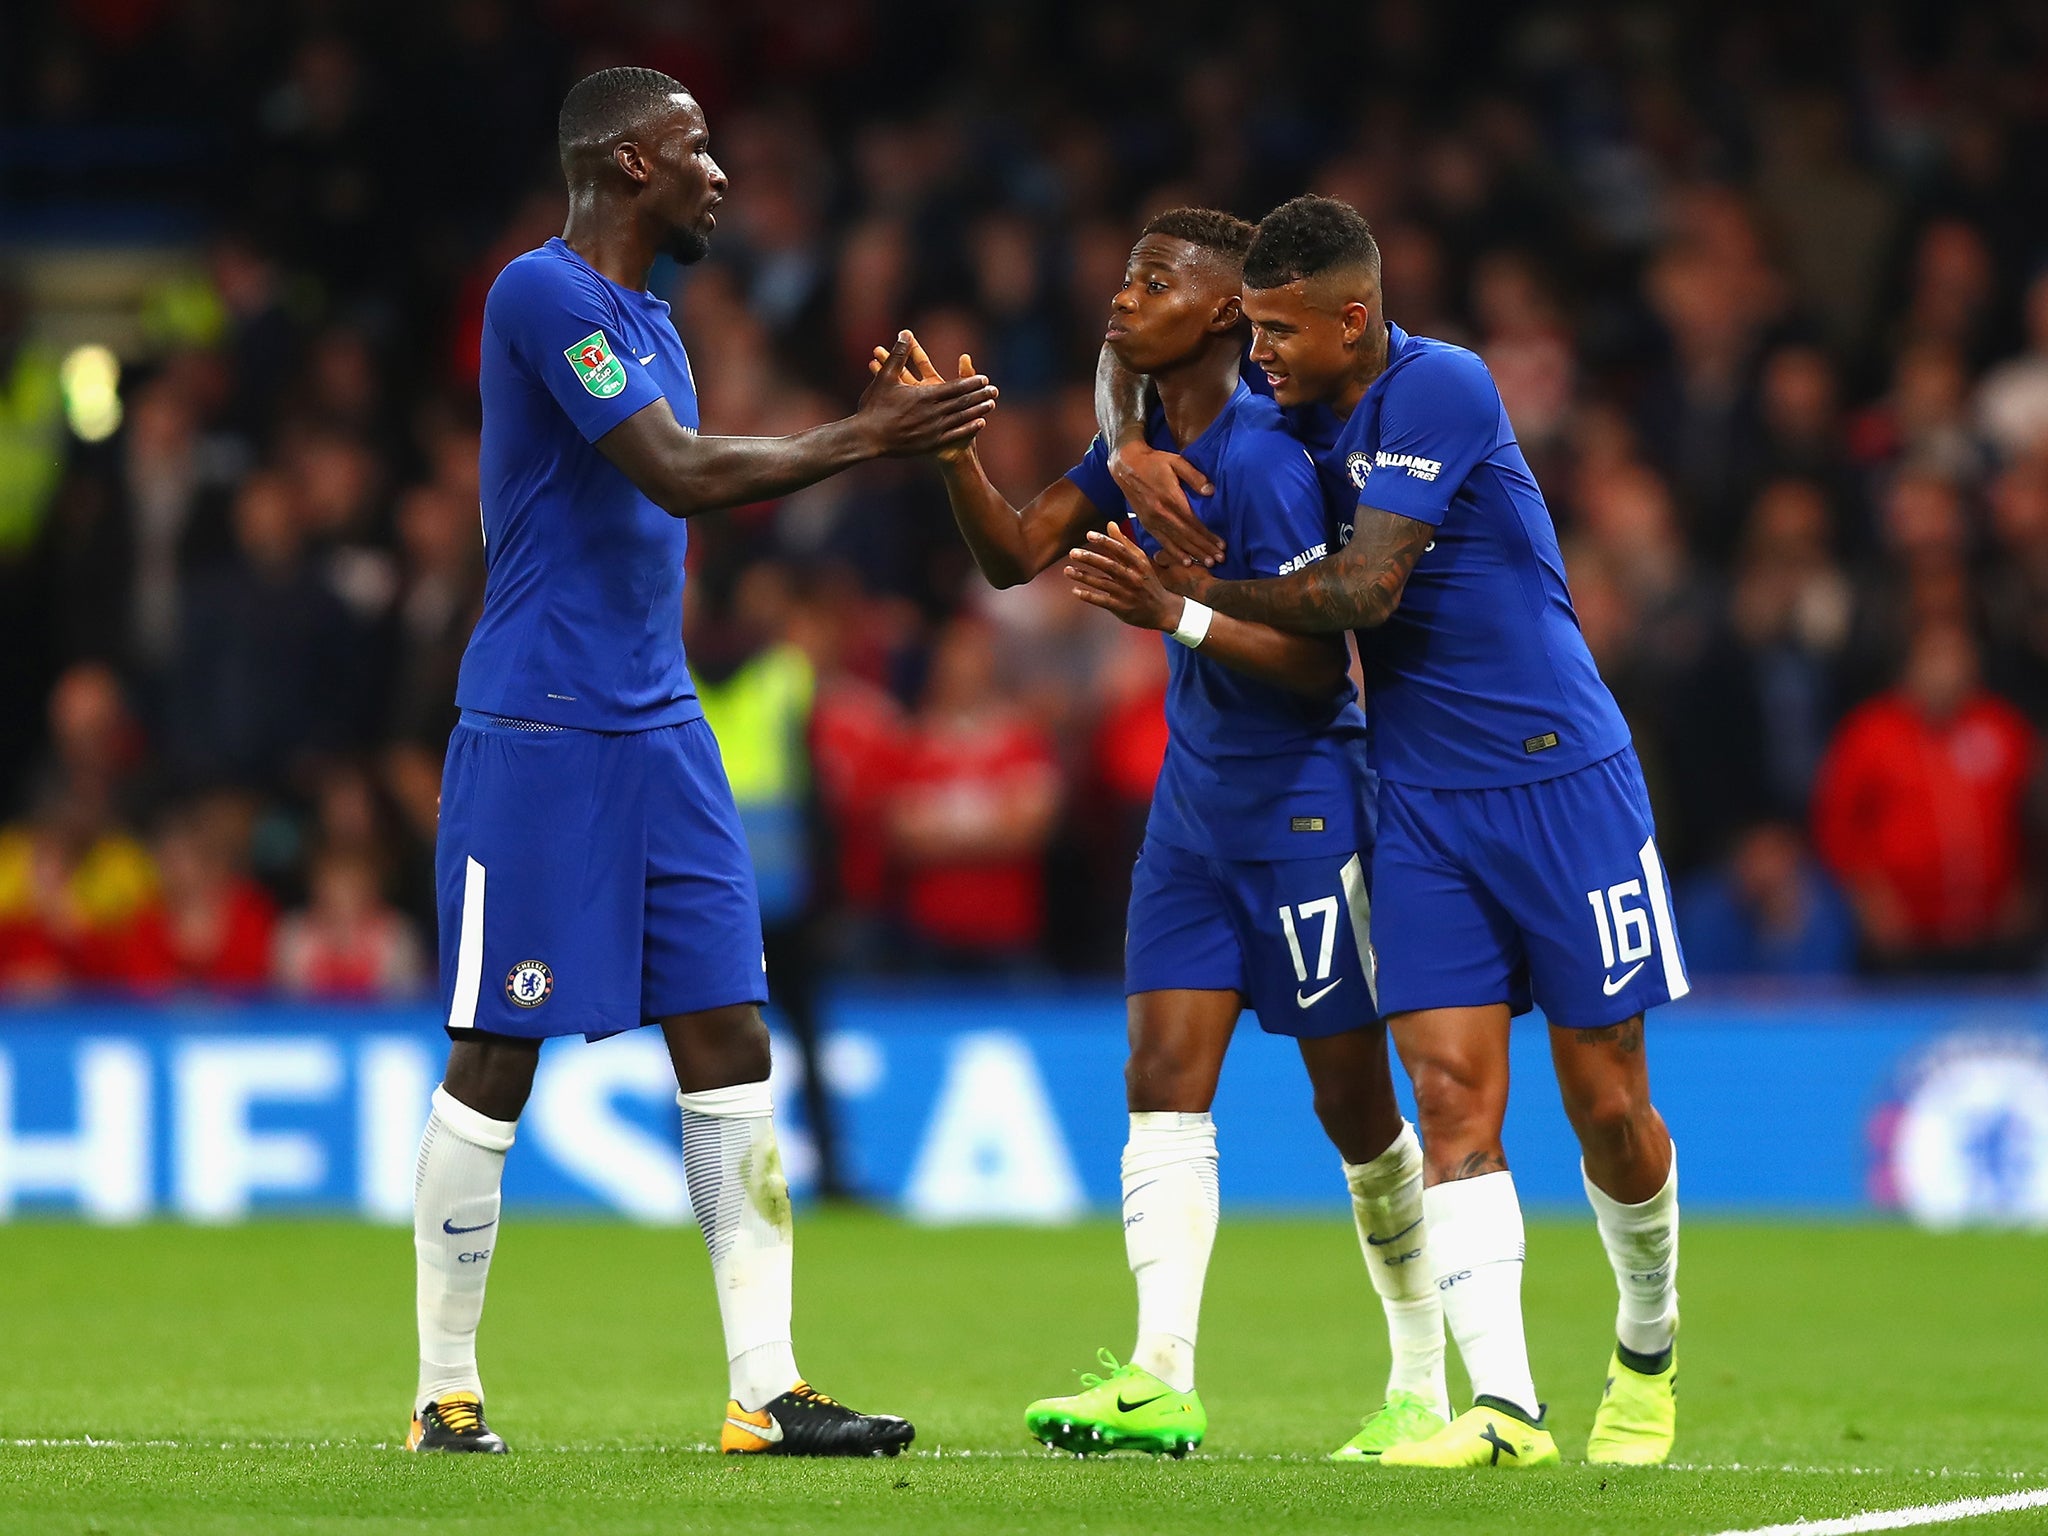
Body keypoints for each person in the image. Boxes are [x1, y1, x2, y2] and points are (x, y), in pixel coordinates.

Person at [407, 66, 996, 1458]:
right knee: (498, 1048)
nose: (719, 174)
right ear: (623, 166)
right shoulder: (540, 296)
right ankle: (443, 1388)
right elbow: (673, 473)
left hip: (662, 730)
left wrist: (860, 443)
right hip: (540, 729)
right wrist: (870, 439)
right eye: (695, 150)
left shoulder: (658, 322)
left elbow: (680, 480)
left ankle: (767, 1390)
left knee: (730, 1029)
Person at [1091, 197, 1687, 1469]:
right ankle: (1507, 1411)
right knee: (1453, 1098)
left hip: (1559, 781)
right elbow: (1134, 354)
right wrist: (1126, 444)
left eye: (1279, 332)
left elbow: (1362, 591)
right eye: (1248, 330)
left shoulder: (1443, 389)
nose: (1259, 357)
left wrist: (1189, 590)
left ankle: (1645, 1342)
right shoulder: (1292, 408)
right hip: (1416, 805)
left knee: (1608, 1110)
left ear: (1352, 319)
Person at [884, 209, 1448, 1461]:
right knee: (1159, 1083)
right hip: (1194, 817)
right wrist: (946, 450)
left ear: (1220, 311)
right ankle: (1159, 1376)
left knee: (1350, 1106)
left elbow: (1316, 669)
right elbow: (1011, 554)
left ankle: (1420, 1380)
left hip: (1303, 809)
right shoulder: (1138, 439)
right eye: (1125, 275)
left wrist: (1171, 611)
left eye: (1152, 282)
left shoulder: (1261, 456)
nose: (1119, 298)